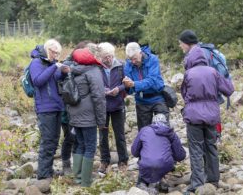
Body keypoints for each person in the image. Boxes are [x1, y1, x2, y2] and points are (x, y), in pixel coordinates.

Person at [178, 30, 234, 194]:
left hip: (194, 116)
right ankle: (213, 180)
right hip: (211, 115)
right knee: (211, 147)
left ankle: (196, 183)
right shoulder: (213, 72)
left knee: (196, 150)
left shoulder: (188, 73)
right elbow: (229, 89)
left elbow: (184, 94)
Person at [29, 39, 70, 192]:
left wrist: (63, 73)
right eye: (55, 53)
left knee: (53, 141)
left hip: (57, 106)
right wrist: (54, 67)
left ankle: (49, 171)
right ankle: (43, 175)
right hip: (45, 108)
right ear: (48, 50)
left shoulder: (51, 64)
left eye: (58, 53)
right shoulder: (36, 63)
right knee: (47, 142)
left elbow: (55, 79)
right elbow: (38, 81)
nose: (56, 56)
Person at [68, 44, 106, 187]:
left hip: (75, 114)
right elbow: (99, 97)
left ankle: (78, 178)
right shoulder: (94, 71)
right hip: (88, 116)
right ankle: (85, 182)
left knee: (80, 145)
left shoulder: (74, 70)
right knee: (90, 146)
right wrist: (101, 121)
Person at [131, 113, 186, 195]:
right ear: (166, 123)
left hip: (146, 164)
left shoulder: (144, 130)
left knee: (144, 162)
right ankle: (159, 182)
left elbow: (134, 152)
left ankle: (143, 185)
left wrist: (144, 154)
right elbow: (180, 156)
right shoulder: (171, 133)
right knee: (164, 158)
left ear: (152, 122)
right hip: (165, 165)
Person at [96, 42, 129, 174]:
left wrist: (119, 89)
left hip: (117, 104)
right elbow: (93, 84)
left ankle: (123, 161)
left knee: (119, 134)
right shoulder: (97, 67)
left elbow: (127, 83)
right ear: (100, 57)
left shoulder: (121, 65)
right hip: (102, 106)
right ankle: (104, 161)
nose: (108, 59)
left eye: (110, 56)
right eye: (105, 57)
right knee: (103, 135)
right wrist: (101, 90)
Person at [123, 42, 169, 131]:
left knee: (163, 130)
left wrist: (134, 84)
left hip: (158, 98)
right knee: (144, 132)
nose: (133, 61)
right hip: (142, 101)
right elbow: (130, 90)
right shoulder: (128, 65)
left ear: (140, 53)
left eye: (135, 58)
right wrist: (127, 86)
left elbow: (151, 80)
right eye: (130, 59)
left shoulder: (152, 59)